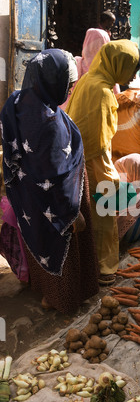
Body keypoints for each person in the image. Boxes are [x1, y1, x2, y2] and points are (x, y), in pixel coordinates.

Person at [0, 49, 100, 313]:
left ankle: (46, 291)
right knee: (61, 246)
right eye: (67, 85)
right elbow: (56, 177)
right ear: (51, 82)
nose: (69, 91)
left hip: (30, 197)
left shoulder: (16, 102)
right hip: (57, 201)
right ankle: (62, 299)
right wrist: (71, 213)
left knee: (40, 240)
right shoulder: (50, 123)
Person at [66, 40, 140, 285]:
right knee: (103, 215)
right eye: (131, 68)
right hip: (92, 162)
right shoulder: (103, 92)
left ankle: (86, 265)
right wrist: (110, 174)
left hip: (75, 158)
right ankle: (103, 269)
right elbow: (98, 142)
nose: (132, 75)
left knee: (85, 215)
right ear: (118, 64)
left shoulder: (88, 79)